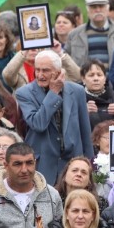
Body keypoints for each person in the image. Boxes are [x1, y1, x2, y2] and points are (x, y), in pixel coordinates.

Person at [16, 50, 94, 184]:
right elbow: (38, 124)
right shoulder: (24, 93)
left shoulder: (77, 91)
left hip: (73, 163)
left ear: (58, 72)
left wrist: (90, 164)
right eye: (37, 70)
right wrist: (53, 92)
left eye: (45, 70)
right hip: (43, 165)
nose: (40, 75)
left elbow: (85, 132)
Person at [66, 0, 114, 68]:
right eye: (93, 7)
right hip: (82, 79)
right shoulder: (75, 34)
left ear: (107, 9)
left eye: (101, 6)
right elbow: (67, 63)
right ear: (88, 10)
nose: (98, 10)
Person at [80, 59, 114, 131]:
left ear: (105, 78)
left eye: (99, 75)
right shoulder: (77, 98)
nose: (96, 79)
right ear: (83, 79)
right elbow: (69, 125)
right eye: (91, 75)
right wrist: (83, 113)